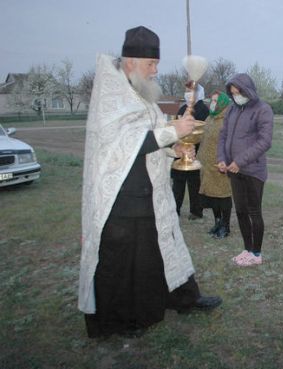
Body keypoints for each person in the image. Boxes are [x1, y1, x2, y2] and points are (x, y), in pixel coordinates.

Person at [78, 26, 221, 339]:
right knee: (125, 262)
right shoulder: (112, 95)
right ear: (130, 62)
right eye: (150, 64)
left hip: (151, 191)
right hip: (122, 198)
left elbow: (150, 137)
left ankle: (184, 297)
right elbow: (125, 143)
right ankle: (118, 320)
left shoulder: (141, 92)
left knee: (164, 248)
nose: (156, 70)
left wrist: (175, 148)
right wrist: (174, 132)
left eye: (156, 63)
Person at [217, 73, 273, 267]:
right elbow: (223, 136)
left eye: (238, 92)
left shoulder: (262, 109)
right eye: (232, 93)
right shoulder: (231, 110)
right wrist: (222, 159)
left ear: (247, 90)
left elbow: (265, 141)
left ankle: (256, 253)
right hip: (233, 169)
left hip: (253, 170)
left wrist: (240, 161)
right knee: (240, 211)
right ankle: (246, 249)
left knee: (253, 212)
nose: (235, 96)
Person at [197, 91, 233, 238]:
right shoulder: (209, 118)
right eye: (211, 100)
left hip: (221, 165)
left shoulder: (228, 120)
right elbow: (202, 138)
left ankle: (226, 226)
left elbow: (231, 143)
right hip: (207, 165)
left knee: (223, 196)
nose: (213, 103)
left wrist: (227, 161)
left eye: (216, 101)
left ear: (223, 103)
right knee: (212, 196)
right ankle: (217, 222)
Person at [171, 81, 209, 219]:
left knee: (194, 185)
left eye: (190, 91)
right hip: (180, 153)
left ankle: (196, 211)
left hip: (195, 153)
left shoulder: (203, 110)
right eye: (186, 91)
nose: (187, 94)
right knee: (178, 185)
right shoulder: (182, 109)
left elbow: (204, 133)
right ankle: (175, 209)